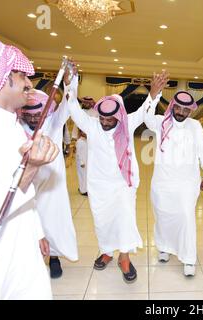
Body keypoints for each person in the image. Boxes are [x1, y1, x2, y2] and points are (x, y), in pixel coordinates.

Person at [0, 33, 59, 299]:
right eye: (22, 76)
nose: (29, 83)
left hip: (20, 241)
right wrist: (32, 166)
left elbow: (23, 197)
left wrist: (37, 231)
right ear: (0, 78)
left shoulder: (11, 124)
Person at [67, 69, 168, 283]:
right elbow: (74, 111)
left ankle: (124, 257)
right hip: (98, 186)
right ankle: (106, 251)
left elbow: (143, 110)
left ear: (118, 115)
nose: (104, 122)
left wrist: (154, 93)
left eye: (109, 119)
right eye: (102, 118)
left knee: (124, 220)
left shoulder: (127, 123)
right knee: (102, 222)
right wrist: (70, 85)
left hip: (124, 184)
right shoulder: (92, 126)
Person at [144, 91, 203, 276]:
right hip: (162, 181)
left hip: (187, 183)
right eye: (178, 107)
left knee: (186, 217)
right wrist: (153, 95)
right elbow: (146, 116)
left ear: (190, 111)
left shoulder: (195, 126)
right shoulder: (161, 122)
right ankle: (164, 247)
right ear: (172, 106)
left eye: (185, 109)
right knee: (163, 215)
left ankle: (189, 258)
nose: (181, 112)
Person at [19, 87, 78, 279]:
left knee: (52, 223)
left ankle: (54, 258)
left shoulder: (53, 122)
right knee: (28, 224)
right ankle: (31, 259)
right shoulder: (16, 128)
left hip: (52, 186)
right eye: (30, 115)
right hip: (26, 187)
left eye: (39, 114)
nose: (35, 119)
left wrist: (71, 84)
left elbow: (67, 106)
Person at [75, 129, 88, 196]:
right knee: (82, 176)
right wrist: (81, 162)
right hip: (82, 163)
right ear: (80, 132)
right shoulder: (79, 141)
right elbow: (78, 153)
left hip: (86, 161)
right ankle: (83, 190)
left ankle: (84, 188)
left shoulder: (86, 141)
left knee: (85, 176)